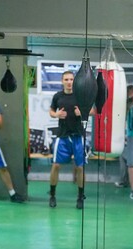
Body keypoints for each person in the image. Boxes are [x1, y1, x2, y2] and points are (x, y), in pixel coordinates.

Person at [48, 70, 86, 210]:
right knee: (56, 165)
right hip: (62, 136)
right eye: (66, 79)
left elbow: (92, 111)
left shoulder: (80, 96)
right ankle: (52, 195)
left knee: (80, 167)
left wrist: (82, 112)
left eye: (71, 79)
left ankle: (80, 197)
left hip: (78, 136)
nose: (69, 82)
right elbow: (51, 111)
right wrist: (56, 114)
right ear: (62, 81)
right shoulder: (58, 96)